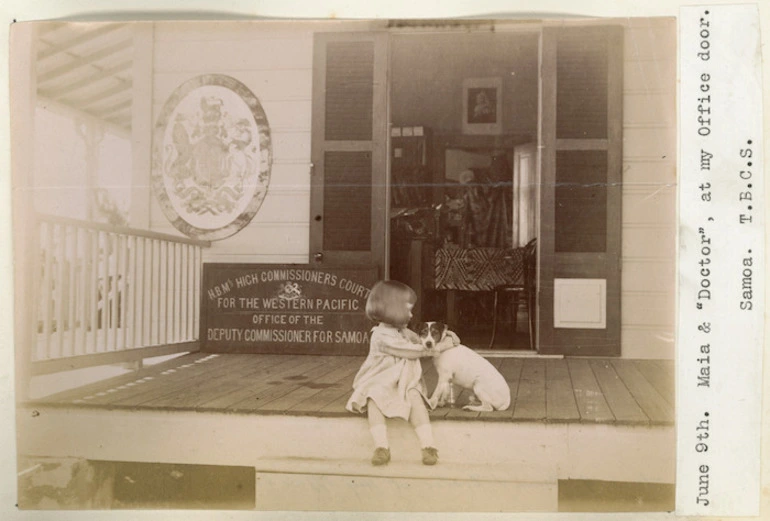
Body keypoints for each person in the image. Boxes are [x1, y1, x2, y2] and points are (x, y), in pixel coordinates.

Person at [346, 280, 447, 466]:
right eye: (408, 310)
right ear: (393, 310)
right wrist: (439, 348)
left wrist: (448, 336)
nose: (411, 314)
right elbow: (412, 350)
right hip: (380, 378)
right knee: (373, 399)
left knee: (415, 398)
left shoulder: (402, 330)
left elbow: (420, 340)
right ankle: (381, 447)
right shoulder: (381, 335)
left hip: (404, 378)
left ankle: (428, 446)